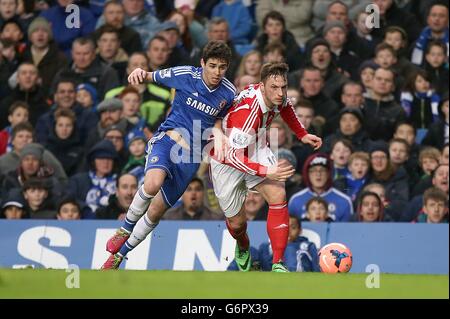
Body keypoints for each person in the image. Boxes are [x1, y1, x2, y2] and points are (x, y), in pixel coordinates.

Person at [101, 40, 236, 269]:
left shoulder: (229, 92)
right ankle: (125, 227)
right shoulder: (184, 75)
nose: (216, 72)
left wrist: (220, 133)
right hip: (168, 141)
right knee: (152, 184)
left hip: (191, 158)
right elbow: (150, 76)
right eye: (212, 65)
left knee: (156, 211)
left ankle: (118, 256)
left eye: (222, 67)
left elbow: (220, 118)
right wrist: (139, 72)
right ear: (202, 63)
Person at [210, 62, 322, 272]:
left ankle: (277, 263)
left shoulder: (277, 95)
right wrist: (265, 170)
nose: (280, 93)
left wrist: (302, 134)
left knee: (278, 193)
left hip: (255, 149)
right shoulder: (249, 114)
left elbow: (286, 107)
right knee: (237, 225)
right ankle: (243, 244)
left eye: (283, 87)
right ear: (262, 87)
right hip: (227, 159)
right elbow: (232, 157)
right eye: (274, 88)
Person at [289, 153, 354, 222]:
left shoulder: (344, 201)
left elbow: (348, 231)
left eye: (322, 170)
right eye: (313, 170)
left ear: (329, 173)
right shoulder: (296, 200)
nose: (318, 174)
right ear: (307, 174)